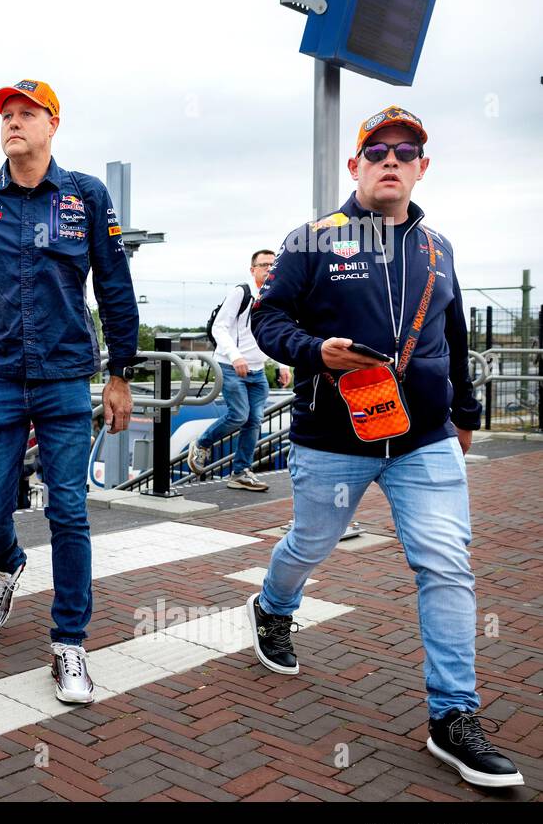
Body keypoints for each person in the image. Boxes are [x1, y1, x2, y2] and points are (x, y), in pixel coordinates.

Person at [250, 105, 523, 788]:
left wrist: (465, 412)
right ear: (356, 166)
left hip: (423, 439)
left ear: (422, 167)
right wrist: (315, 351)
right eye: (378, 151)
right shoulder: (312, 240)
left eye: (406, 151)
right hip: (333, 436)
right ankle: (272, 609)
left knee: (445, 563)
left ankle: (453, 715)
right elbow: (269, 318)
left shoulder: (440, 249)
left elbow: (455, 338)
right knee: (309, 545)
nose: (392, 160)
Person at [0, 79, 139, 704]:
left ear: (53, 125)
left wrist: (120, 372)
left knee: (69, 510)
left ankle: (69, 643)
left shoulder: (85, 196)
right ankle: (7, 564)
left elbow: (114, 284)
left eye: (27, 114)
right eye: (6, 115)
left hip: (65, 377)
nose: (13, 123)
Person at [186, 250, 292, 491]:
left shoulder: (277, 296)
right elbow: (219, 328)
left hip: (257, 371)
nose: (268, 268)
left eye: (272, 265)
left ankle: (240, 472)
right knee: (239, 416)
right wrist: (236, 357)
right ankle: (201, 444)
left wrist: (282, 365)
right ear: (252, 269)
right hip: (230, 366)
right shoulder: (241, 293)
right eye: (263, 264)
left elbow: (276, 333)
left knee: (254, 420)